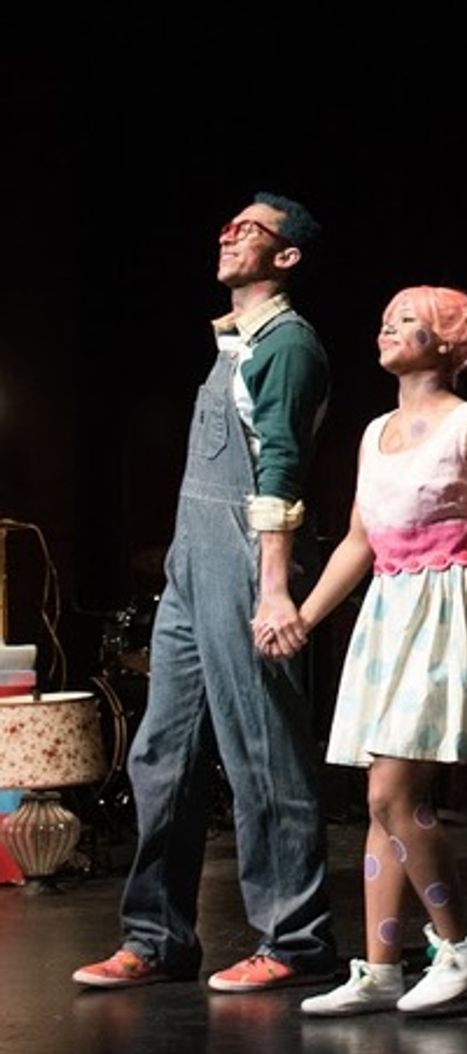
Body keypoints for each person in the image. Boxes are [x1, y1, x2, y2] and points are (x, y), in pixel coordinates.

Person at [291, 285, 467, 1015]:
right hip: (391, 608)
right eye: (386, 316)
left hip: (449, 602)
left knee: (394, 793)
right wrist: (301, 616)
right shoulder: (372, 433)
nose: (388, 326)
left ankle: (458, 946)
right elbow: (360, 543)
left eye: (409, 319)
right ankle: (380, 967)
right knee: (380, 800)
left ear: (451, 343)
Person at [74, 193, 338, 992]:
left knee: (262, 747)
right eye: (227, 222)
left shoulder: (287, 346)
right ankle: (156, 936)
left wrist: (272, 590)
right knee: (162, 753)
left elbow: (282, 472)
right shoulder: (233, 345)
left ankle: (295, 940)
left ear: (286, 257)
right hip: (194, 563)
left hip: (248, 558)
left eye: (250, 228)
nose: (228, 232)